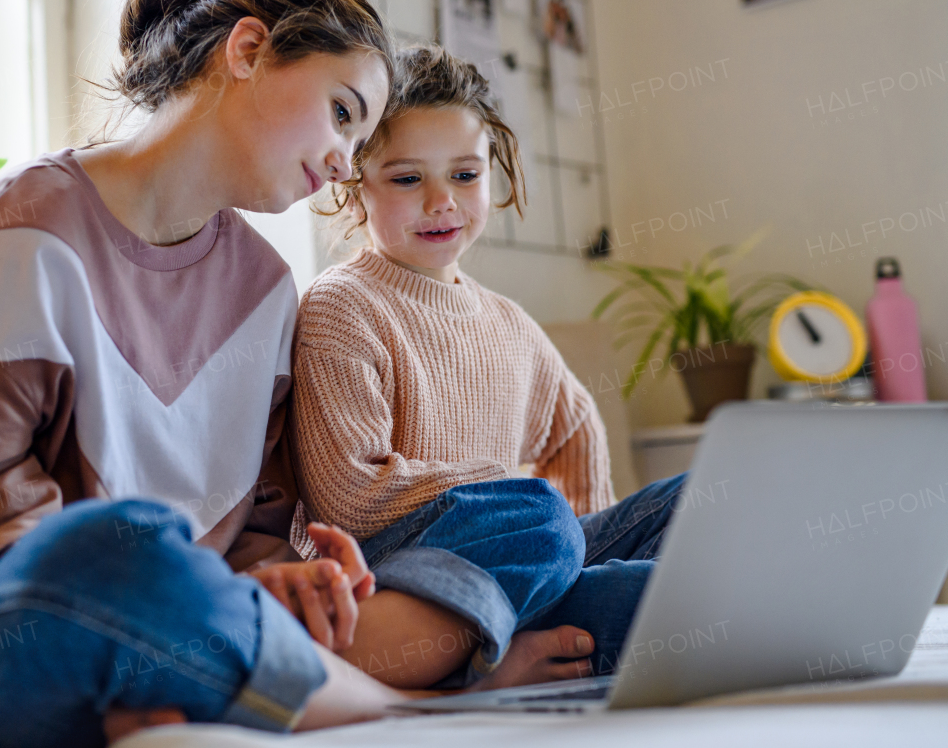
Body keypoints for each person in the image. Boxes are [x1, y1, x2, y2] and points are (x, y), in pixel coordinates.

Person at [0, 0, 421, 746]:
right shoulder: (28, 229)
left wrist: (276, 579)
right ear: (248, 51)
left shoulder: (268, 292)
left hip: (183, 627)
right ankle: (407, 706)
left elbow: (250, 525)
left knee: (527, 521)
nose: (344, 162)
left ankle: (215, 689)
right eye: (343, 112)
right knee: (124, 547)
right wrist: (168, 592)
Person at [292, 44, 686, 690]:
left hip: (530, 564)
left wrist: (572, 549)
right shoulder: (342, 306)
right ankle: (465, 659)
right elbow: (348, 499)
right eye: (407, 177)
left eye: (466, 175)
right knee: (540, 517)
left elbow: (576, 423)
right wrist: (513, 500)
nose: (442, 200)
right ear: (355, 183)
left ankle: (546, 600)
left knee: (688, 506)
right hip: (404, 581)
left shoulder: (505, 320)